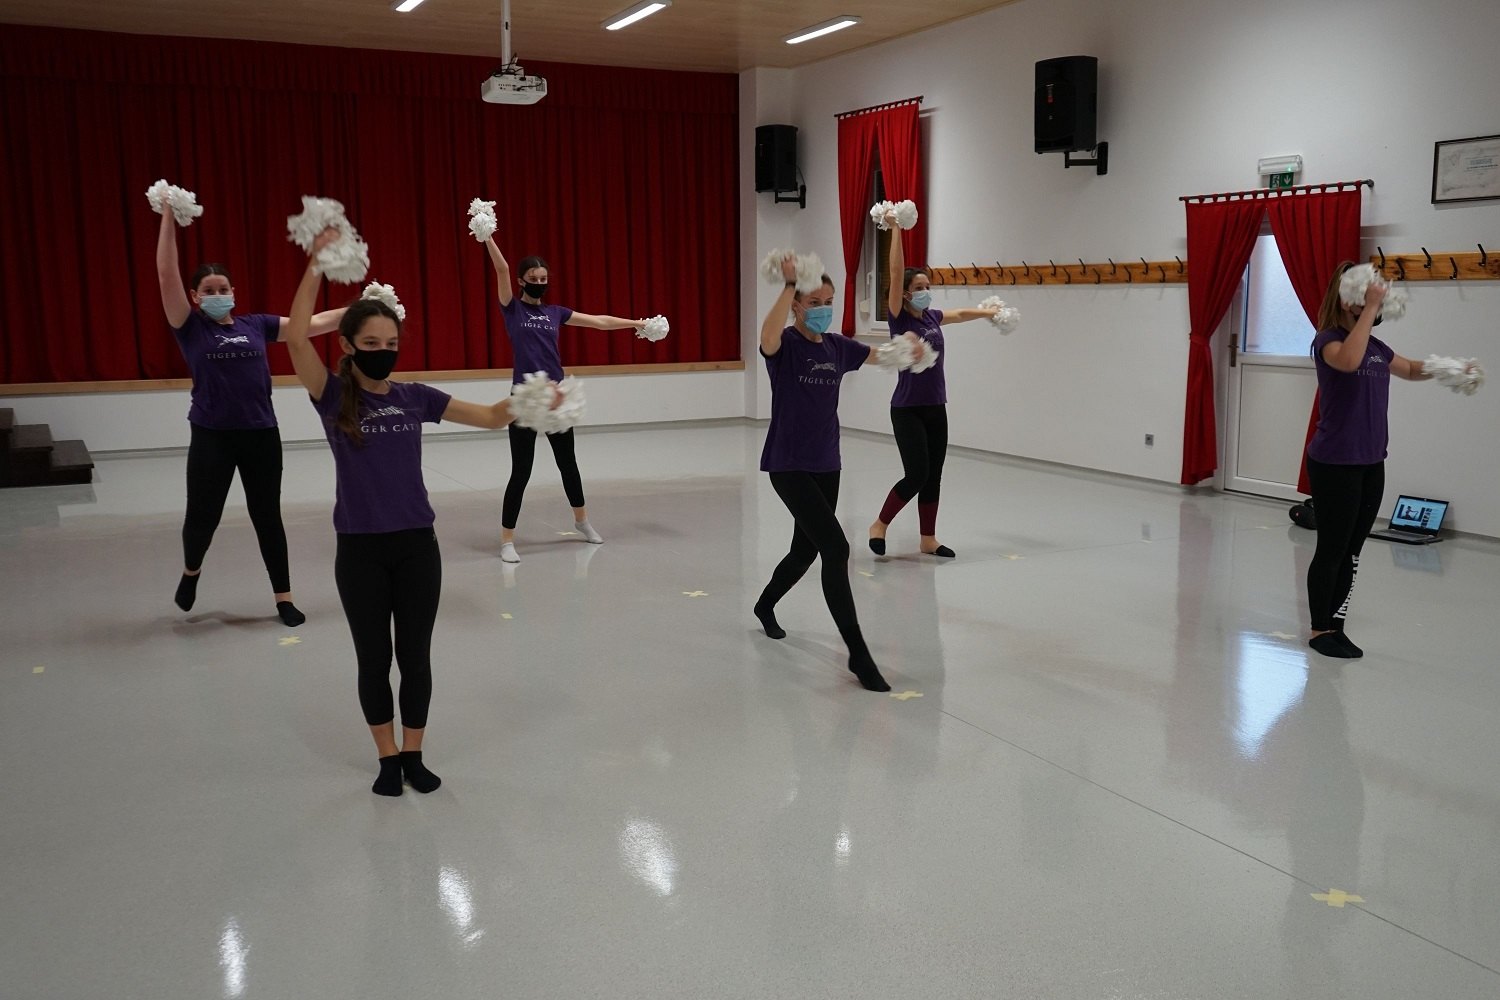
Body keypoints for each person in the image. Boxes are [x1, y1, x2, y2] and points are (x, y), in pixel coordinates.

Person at [283, 229, 557, 795]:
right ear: (349, 346)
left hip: (416, 547)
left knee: (415, 656)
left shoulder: (416, 396)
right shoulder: (331, 396)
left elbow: (489, 417)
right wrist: (315, 264)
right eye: (372, 341)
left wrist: (534, 397)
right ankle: (386, 758)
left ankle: (414, 753)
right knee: (373, 658)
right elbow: (296, 338)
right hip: (360, 549)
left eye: (391, 341)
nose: (384, 349)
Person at [155, 204, 346, 624]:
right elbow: (167, 274)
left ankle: (284, 598)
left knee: (267, 517)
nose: (217, 294)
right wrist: (168, 214)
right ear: (195, 297)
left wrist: (366, 308)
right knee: (202, 517)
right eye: (208, 290)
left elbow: (312, 323)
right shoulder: (191, 328)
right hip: (212, 436)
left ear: (234, 292)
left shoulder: (256, 325)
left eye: (223, 288)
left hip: (260, 434)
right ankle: (191, 571)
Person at [753, 254, 927, 693]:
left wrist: (907, 351)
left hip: (827, 462)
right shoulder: (785, 345)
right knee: (835, 547)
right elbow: (766, 337)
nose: (823, 309)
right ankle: (857, 653)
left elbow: (877, 355)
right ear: (796, 305)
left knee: (804, 551)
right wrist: (788, 284)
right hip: (788, 464)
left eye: (829, 302)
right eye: (814, 302)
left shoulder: (836, 347)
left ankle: (764, 605)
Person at [482, 236, 649, 564]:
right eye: (533, 278)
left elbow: (599, 322)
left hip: (556, 398)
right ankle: (507, 540)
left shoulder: (555, 313)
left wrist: (636, 324)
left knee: (568, 463)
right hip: (525, 399)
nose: (540, 283)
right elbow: (501, 269)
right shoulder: (512, 308)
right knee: (521, 471)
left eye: (544, 278)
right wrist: (487, 235)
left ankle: (582, 521)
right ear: (521, 281)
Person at [1304, 263, 1430, 658]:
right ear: (1349, 301)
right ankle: (1319, 630)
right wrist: (1370, 306)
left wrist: (1449, 368)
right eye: (1368, 299)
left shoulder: (1375, 347)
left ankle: (1336, 624)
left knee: (1352, 550)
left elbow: (1411, 369)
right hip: (1335, 462)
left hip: (1371, 461)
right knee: (1332, 548)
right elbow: (1347, 361)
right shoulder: (1328, 340)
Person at [867, 211, 1000, 558]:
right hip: (907, 409)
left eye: (928, 287)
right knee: (917, 474)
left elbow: (958, 315)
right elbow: (896, 271)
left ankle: (928, 538)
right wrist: (896, 228)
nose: (926, 292)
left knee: (934, 475)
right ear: (905, 294)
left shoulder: (931, 317)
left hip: (936, 407)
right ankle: (879, 524)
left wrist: (987, 313)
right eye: (919, 288)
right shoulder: (899, 318)